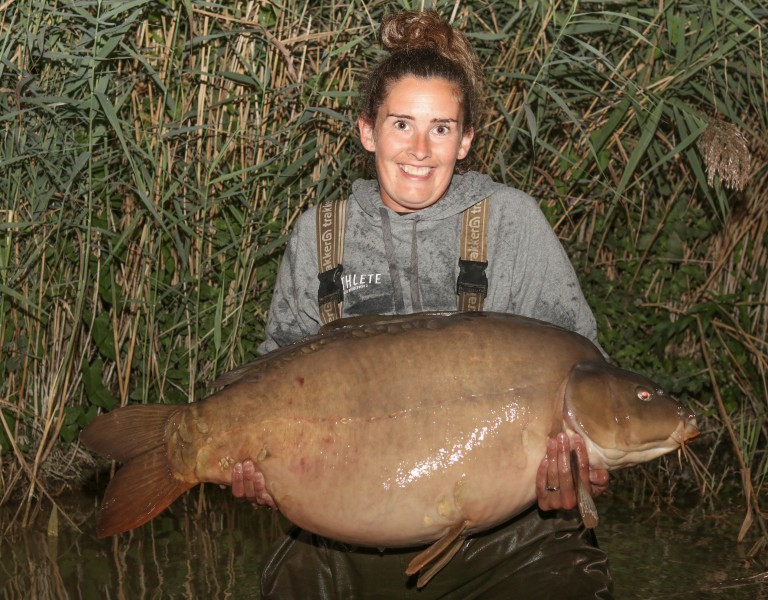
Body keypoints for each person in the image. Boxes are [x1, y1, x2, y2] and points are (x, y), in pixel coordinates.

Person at [231, 10, 612, 599]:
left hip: (509, 539)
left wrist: (579, 474)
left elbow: (585, 383)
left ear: (465, 142)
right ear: (367, 131)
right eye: (401, 124)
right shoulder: (321, 235)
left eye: (440, 129)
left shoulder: (511, 222)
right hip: (347, 532)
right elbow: (276, 376)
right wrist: (259, 465)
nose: (419, 149)